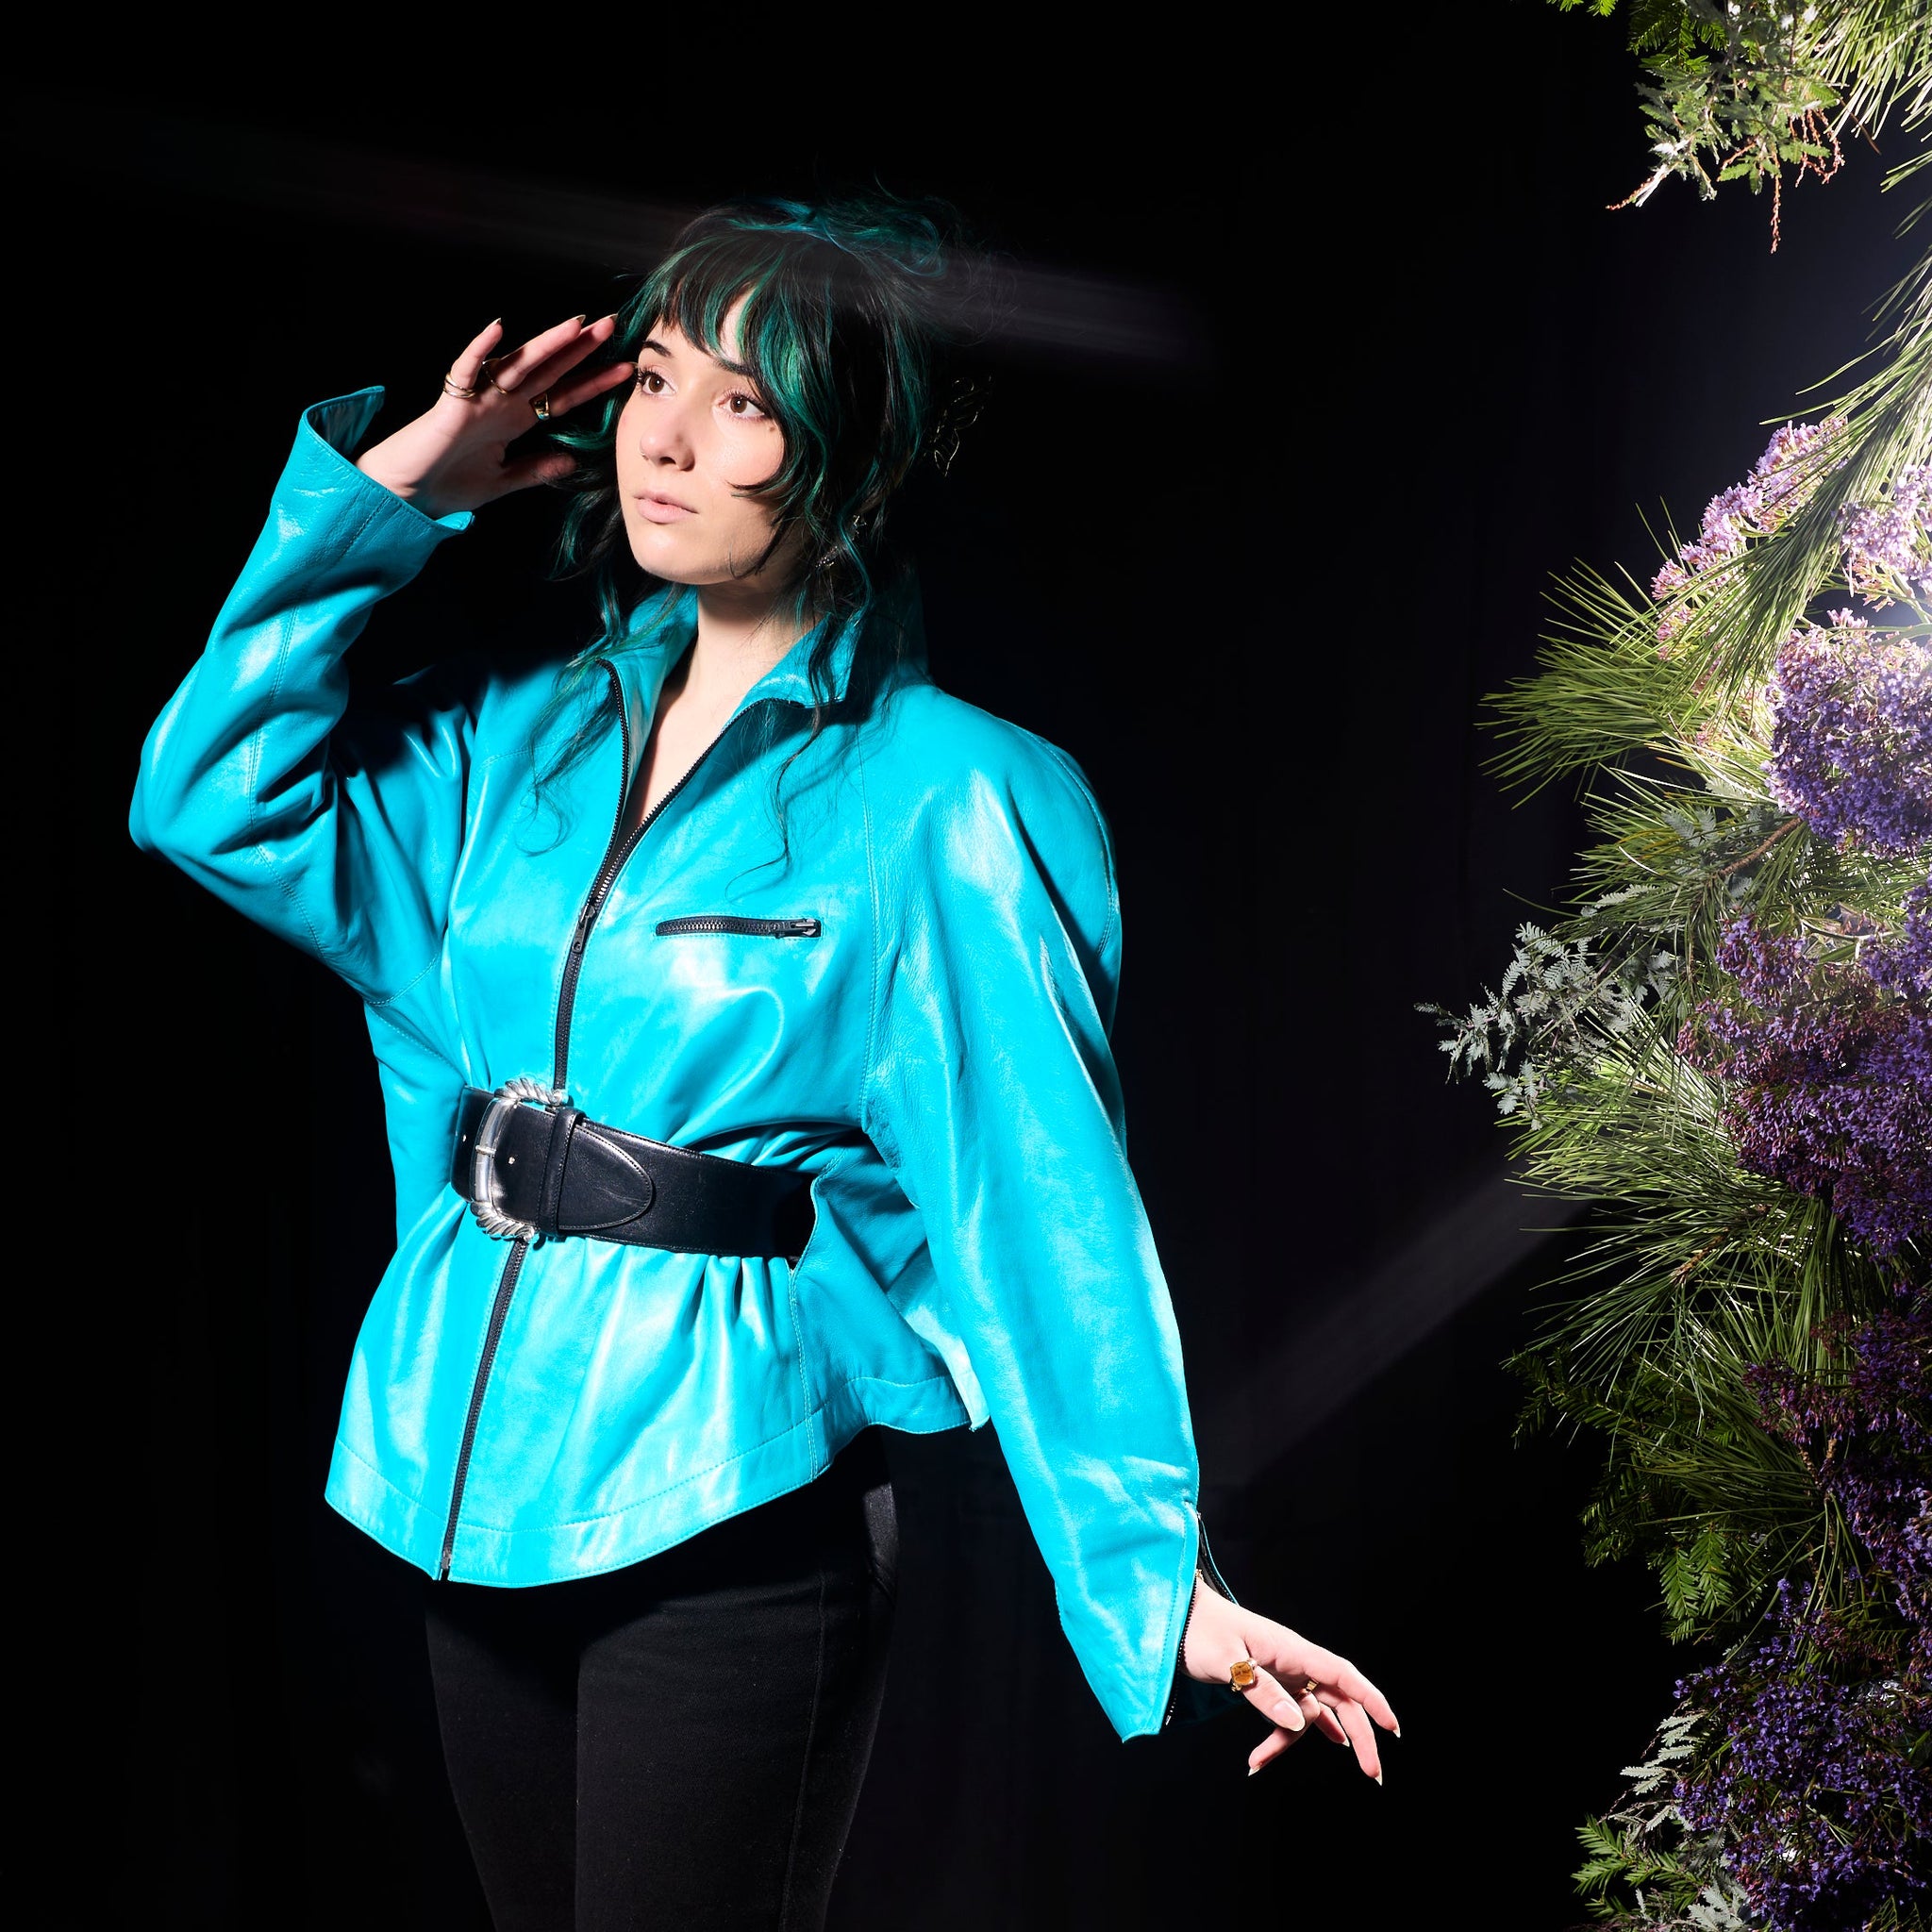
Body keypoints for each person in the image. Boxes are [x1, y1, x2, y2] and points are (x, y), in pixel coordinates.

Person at [131, 195, 1397, 1931]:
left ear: (850, 458)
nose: (665, 436)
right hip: (464, 1495)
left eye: (742, 401)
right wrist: (397, 493)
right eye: (656, 376)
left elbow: (1044, 1207)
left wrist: (1158, 1578)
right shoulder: (515, 738)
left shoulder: (947, 797)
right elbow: (206, 797)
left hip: (732, 1520)